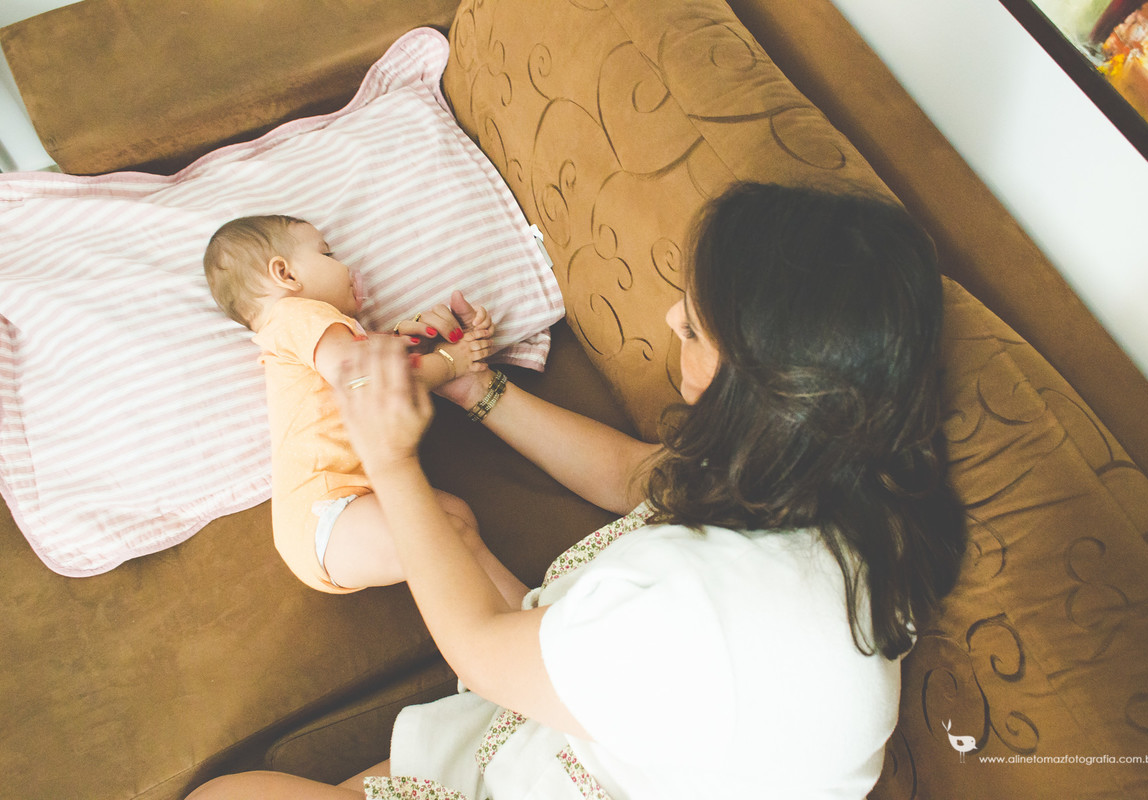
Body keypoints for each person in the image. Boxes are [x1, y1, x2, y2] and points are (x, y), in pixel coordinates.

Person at [189, 183, 966, 799]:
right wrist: (478, 389)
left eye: (695, 324)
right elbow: (633, 474)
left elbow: (484, 650)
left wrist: (391, 466)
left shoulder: (708, 614)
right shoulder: (833, 480)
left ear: (766, 377)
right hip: (564, 734)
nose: (669, 315)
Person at [203, 215, 513, 594]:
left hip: (338, 515)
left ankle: (521, 615)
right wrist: (453, 362)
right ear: (285, 275)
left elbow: (368, 368)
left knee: (456, 521)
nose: (349, 268)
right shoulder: (296, 314)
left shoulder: (311, 333)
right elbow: (371, 385)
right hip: (329, 511)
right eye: (328, 254)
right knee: (447, 536)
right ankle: (527, 623)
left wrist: (409, 342)